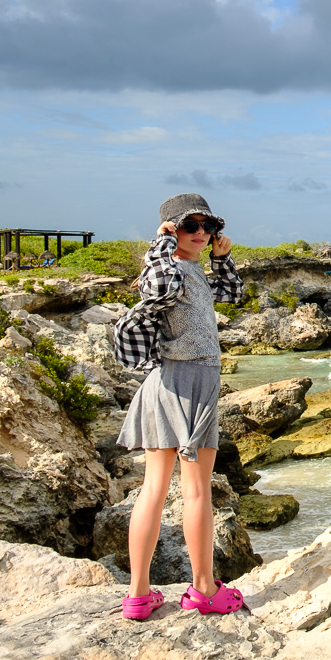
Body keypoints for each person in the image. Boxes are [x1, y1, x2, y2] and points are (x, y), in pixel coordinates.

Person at [116, 193, 245, 620]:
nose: (203, 234)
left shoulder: (190, 269)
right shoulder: (164, 268)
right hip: (187, 381)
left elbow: (232, 296)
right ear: (172, 228)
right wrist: (161, 244)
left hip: (177, 380)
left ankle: (140, 595)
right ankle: (204, 589)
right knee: (192, 491)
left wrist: (222, 259)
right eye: (193, 226)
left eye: (210, 227)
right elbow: (156, 285)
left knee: (161, 489)